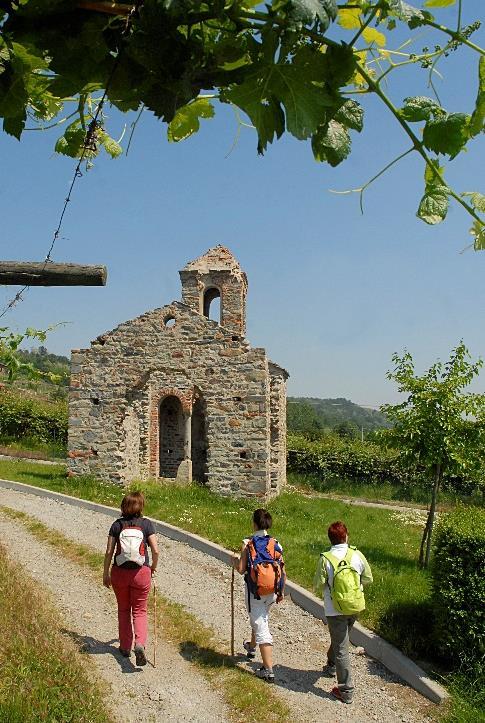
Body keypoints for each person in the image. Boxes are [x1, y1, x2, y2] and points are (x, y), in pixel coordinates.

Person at [313, 520, 373, 705]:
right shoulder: (357, 554)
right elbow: (368, 579)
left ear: (330, 539)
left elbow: (318, 584)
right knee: (341, 638)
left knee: (341, 648)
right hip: (354, 606)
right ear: (346, 536)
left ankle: (346, 690)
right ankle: (331, 666)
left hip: (334, 609)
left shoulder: (325, 558)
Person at [103, 491, 159, 666]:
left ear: (123, 506)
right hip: (141, 573)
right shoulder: (147, 524)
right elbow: (156, 550)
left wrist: (106, 573)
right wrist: (152, 568)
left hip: (120, 573)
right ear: (141, 506)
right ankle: (140, 644)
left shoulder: (116, 525)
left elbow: (109, 551)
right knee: (140, 610)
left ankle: (125, 647)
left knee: (123, 610)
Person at [232, 508, 285, 683]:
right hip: (271, 591)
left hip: (255, 591)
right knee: (262, 617)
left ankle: (268, 669)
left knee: (261, 624)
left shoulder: (248, 543)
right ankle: (252, 646)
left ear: (254, 523)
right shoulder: (275, 543)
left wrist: (233, 561)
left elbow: (241, 569)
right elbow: (281, 568)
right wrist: (281, 590)